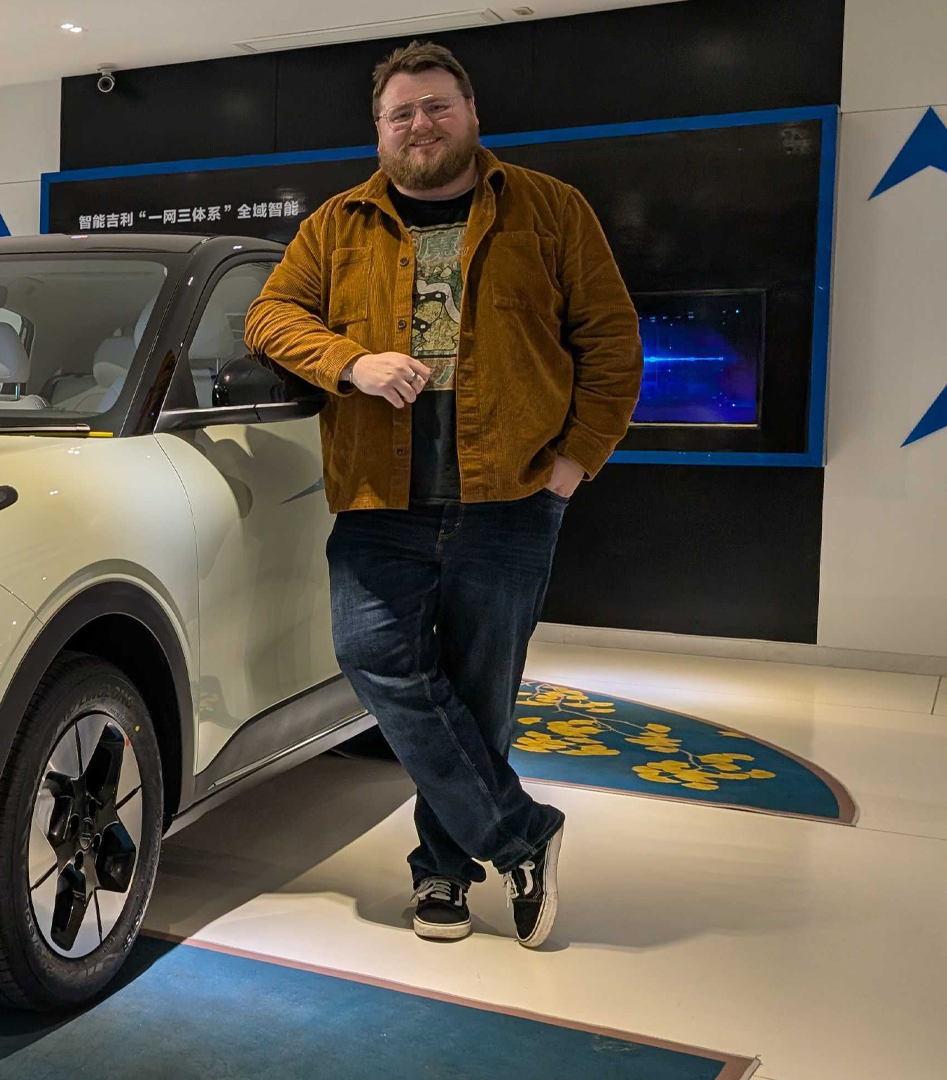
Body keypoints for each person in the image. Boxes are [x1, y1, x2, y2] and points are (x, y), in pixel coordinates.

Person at [244, 40, 642, 947]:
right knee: (373, 658)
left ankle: (442, 875)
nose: (418, 125)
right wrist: (350, 361)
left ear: (470, 115)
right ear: (378, 130)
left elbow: (612, 344)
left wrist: (576, 462)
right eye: (401, 113)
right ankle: (522, 835)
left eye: (435, 107)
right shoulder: (337, 223)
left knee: (479, 690)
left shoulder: (550, 209)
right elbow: (270, 316)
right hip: (380, 496)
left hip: (511, 498)